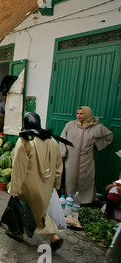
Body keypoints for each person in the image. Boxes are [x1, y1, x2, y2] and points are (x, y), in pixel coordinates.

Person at [9, 112, 65, 250]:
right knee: (40, 210)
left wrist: (15, 188)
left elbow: (19, 167)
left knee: (21, 208)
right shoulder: (51, 140)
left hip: (29, 185)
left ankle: (21, 234)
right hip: (46, 185)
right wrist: (56, 183)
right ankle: (53, 236)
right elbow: (59, 165)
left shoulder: (24, 141)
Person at [59, 106, 113, 205]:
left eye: (82, 114)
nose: (79, 116)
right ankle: (68, 198)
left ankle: (85, 201)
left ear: (88, 114)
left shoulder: (97, 127)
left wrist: (97, 145)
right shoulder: (70, 125)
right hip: (71, 159)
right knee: (70, 180)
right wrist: (63, 152)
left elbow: (109, 136)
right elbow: (63, 139)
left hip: (86, 160)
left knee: (85, 180)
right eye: (78, 113)